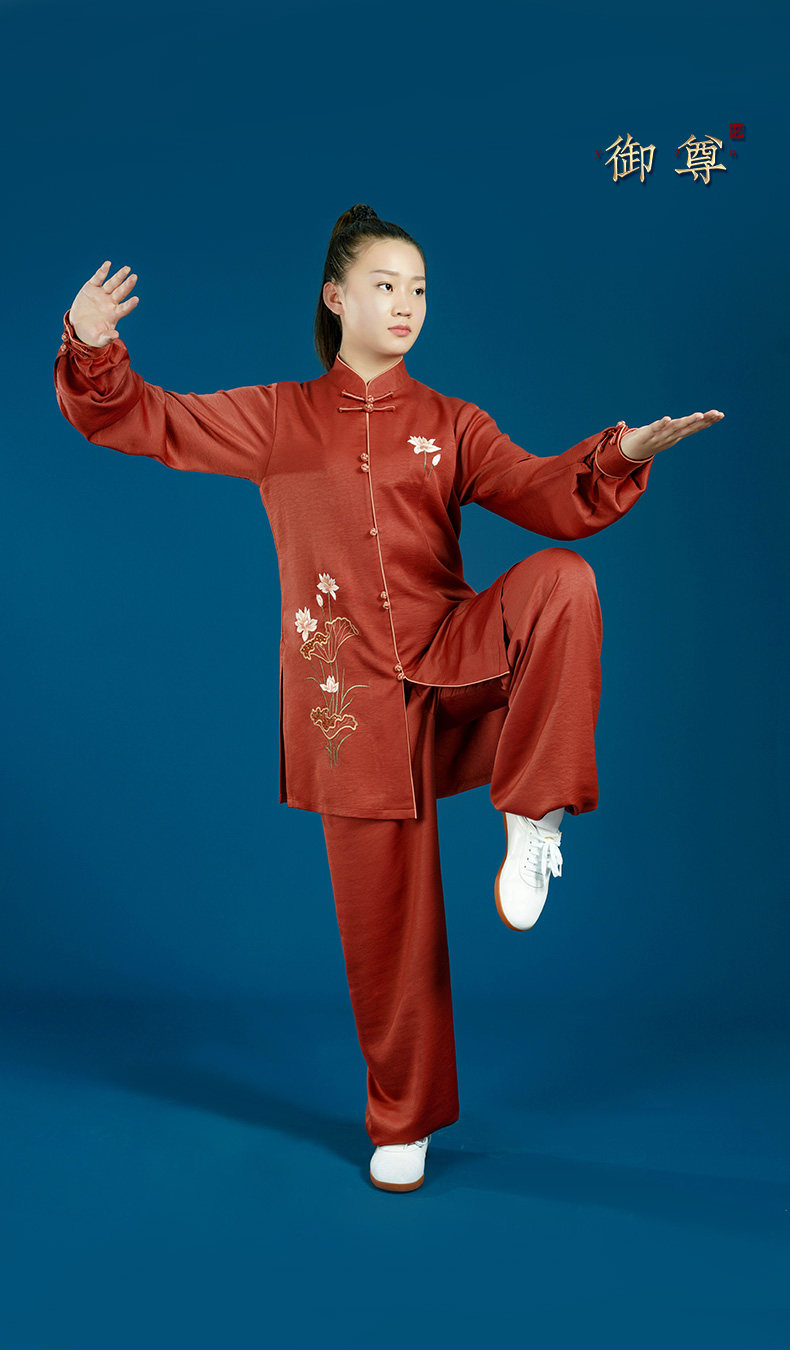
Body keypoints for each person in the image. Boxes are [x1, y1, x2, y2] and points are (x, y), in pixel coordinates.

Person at [53, 204, 724, 1194]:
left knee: (562, 584)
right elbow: (148, 420)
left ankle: (534, 811)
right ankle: (402, 1121)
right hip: (349, 708)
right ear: (336, 297)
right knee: (387, 927)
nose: (406, 304)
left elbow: (547, 494)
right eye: (385, 285)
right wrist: (90, 345)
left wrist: (621, 455)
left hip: (454, 667)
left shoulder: (452, 423)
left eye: (418, 289)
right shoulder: (278, 418)